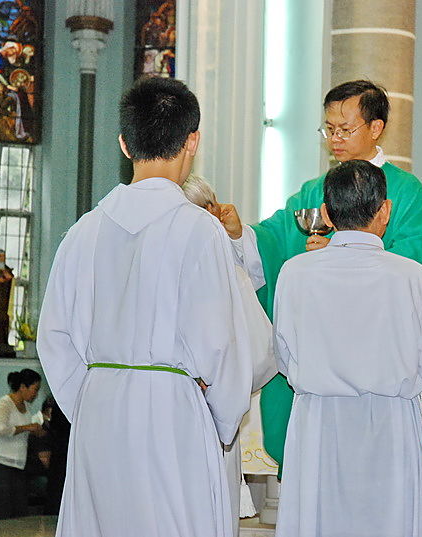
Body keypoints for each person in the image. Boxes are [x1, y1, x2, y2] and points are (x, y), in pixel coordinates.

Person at [37, 76, 255, 537]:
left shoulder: (84, 231)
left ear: (123, 142)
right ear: (192, 139)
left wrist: (94, 399)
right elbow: (221, 344)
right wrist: (220, 418)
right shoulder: (200, 231)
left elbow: (54, 339)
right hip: (173, 413)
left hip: (98, 410)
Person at [235, 80, 422, 492]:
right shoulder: (315, 191)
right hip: (324, 378)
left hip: (386, 374)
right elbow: (275, 241)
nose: (335, 139)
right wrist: (240, 233)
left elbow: (415, 266)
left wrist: (343, 249)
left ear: (376, 127)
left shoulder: (405, 193)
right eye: (329, 129)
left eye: (345, 129)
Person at [272, 160, 422, 537]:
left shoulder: (295, 273)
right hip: (393, 425)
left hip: (320, 423)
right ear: (385, 209)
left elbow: (285, 355)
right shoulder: (413, 277)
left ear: (325, 212)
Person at [182, 174, 278, 535]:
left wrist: (220, 391)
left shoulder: (228, 271)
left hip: (213, 413)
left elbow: (260, 354)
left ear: (211, 213)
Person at [0, 368, 43, 520]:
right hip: (1, 463)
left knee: (19, 510)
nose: (35, 394)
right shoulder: (4, 403)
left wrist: (34, 431)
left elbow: (21, 431)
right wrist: (27, 427)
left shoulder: (27, 407)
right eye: (34, 389)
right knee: (1, 509)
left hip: (19, 465)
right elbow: (0, 429)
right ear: (23, 387)